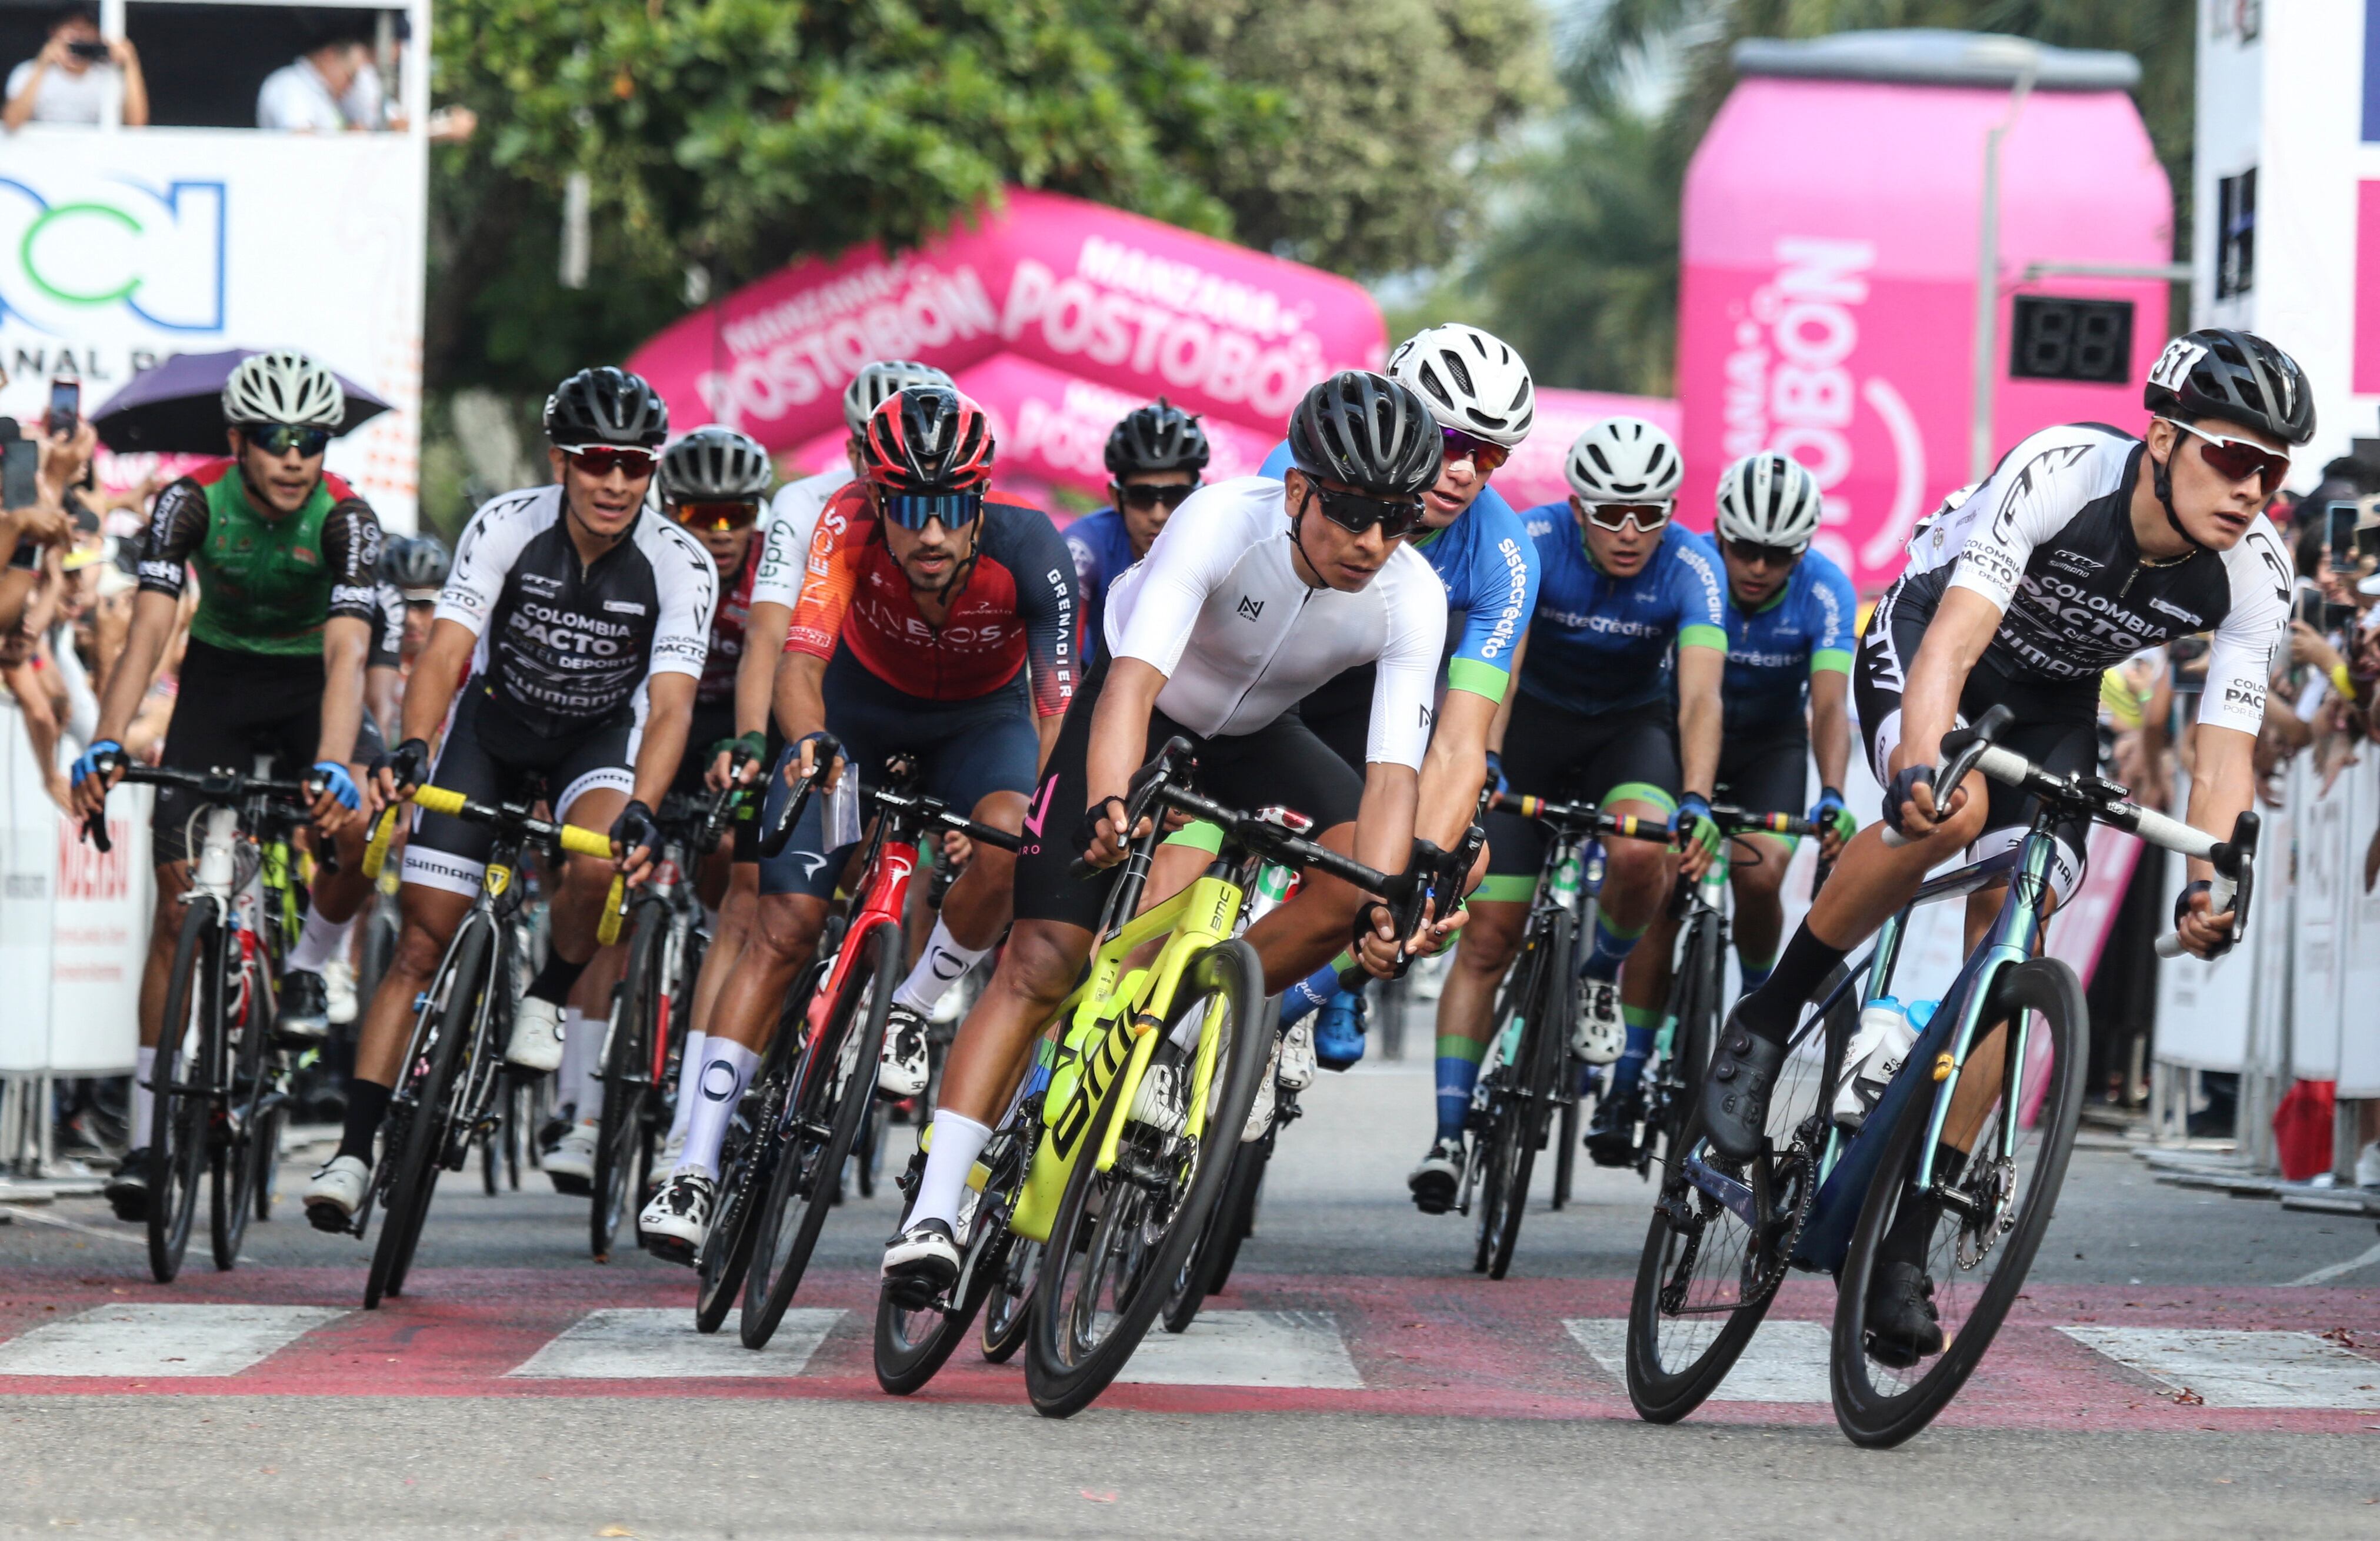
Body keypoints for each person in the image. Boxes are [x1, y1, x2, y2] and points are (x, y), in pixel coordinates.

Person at [1701, 328, 2306, 1363]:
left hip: (2055, 705)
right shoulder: (2065, 469)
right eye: (2231, 454)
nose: (2253, 487)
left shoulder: (2255, 572)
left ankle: (1905, 1243)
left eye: (2274, 467)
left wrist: (2210, 873)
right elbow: (1952, 642)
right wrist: (1916, 768)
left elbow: (2223, 756)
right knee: (1957, 809)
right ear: (2161, 437)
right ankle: (1766, 1016)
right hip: (1937, 643)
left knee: (2021, 933)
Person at [881, 370, 1451, 1296]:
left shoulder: (1408, 595)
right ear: (1301, 488)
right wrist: (1109, 802)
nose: (1374, 542)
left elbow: (1392, 777)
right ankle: (933, 1212)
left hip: (1260, 733)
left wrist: (1382, 905)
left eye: (1400, 519)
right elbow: (1133, 688)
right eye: (1352, 512)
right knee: (1044, 961)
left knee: (1352, 888)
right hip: (1138, 713)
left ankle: (1185, 1016)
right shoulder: (1223, 519)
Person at [637, 385, 1079, 1260]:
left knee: (1011, 834)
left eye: (951, 508)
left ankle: (915, 1002)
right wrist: (811, 743)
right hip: (859, 713)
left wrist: (1040, 800)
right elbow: (801, 660)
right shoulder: (843, 522)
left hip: (981, 728)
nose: (929, 533)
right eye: (907, 508)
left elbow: (1057, 707)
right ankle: (691, 1163)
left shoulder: (1034, 548)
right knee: (784, 922)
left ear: (978, 499)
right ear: (877, 497)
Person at [299, 366, 716, 1229]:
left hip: (595, 744)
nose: (614, 482)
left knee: (597, 866)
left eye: (634, 465)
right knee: (420, 936)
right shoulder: (505, 524)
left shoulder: (680, 561)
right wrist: (415, 745)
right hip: (489, 736)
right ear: (560, 459)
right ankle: (352, 1150)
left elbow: (671, 703)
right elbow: (448, 650)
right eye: (596, 460)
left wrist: (644, 799)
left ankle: (546, 995)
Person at [67, 352, 384, 1220]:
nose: (294, 458)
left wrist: (331, 761)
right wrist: (104, 743)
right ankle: (144, 1138)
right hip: (216, 683)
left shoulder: (347, 518)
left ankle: (314, 965)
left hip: (312, 683)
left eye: (311, 441)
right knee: (176, 913)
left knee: (355, 828)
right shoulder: (191, 501)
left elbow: (350, 648)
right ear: (239, 441)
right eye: (276, 440)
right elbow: (149, 627)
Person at [1412, 414, 1725, 1212]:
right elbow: (1501, 668)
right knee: (1486, 939)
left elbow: (1698, 695)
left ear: (1670, 511)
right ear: (1577, 505)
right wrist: (1483, 762)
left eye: (1649, 512)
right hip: (1533, 730)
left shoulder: (1694, 563)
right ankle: (1447, 1132)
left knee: (1637, 855)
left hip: (1630, 734)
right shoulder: (1532, 536)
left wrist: (1695, 797)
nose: (1629, 531)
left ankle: (1595, 977)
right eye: (1610, 511)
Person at [1262, 322, 1538, 1079]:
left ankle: (1332, 970)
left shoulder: (1507, 555)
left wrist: (1409, 885)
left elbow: (1458, 744)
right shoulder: (1302, 463)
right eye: (1451, 440)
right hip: (1262, 689)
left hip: (1374, 710)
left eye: (1489, 455)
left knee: (1463, 857)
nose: (1463, 472)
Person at [1589, 451, 1856, 1165]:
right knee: (1663, 899)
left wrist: (1832, 792)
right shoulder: (1692, 572)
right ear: (1716, 533)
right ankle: (1625, 1075)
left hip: (1769, 746)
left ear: (1801, 551)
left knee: (1763, 874)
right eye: (1743, 548)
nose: (1758, 567)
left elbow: (1829, 706)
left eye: (1778, 555)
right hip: (1682, 741)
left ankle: (1756, 1003)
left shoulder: (1825, 590)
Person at [1068, 398, 1211, 664]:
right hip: (1098, 684)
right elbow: (1058, 657)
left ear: (1200, 494)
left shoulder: (1226, 542)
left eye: (1175, 497)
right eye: (1142, 497)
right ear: (1115, 497)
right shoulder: (1085, 544)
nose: (1158, 515)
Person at [4, 4, 147, 129]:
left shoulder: (108, 76)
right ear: (55, 31)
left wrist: (130, 63)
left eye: (86, 28)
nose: (79, 34)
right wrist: (43, 64)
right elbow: (12, 122)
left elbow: (136, 123)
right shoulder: (27, 71)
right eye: (72, 26)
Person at [256, 29, 364, 132]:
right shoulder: (290, 84)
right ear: (329, 56)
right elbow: (301, 140)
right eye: (350, 77)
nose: (350, 86)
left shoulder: (321, 93)